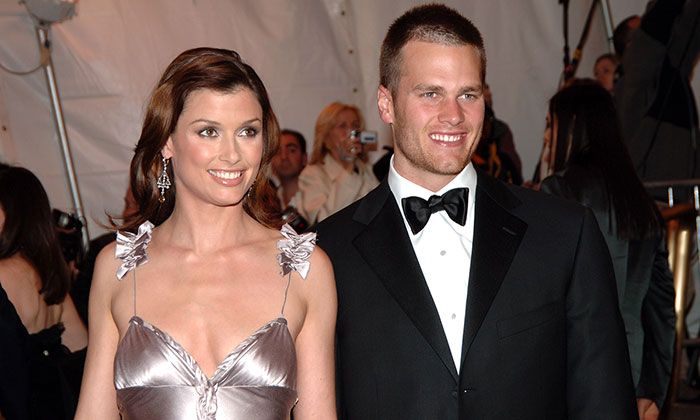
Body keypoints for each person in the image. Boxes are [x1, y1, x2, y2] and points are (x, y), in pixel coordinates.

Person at [316, 4, 637, 419]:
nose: (454, 115)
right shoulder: (327, 252)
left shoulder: (564, 234)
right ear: (386, 103)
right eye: (430, 93)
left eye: (468, 94)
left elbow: (604, 402)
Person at [75, 47, 337, 420]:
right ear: (167, 140)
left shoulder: (305, 268)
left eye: (248, 131)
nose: (232, 155)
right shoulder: (117, 268)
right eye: (209, 131)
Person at [540, 80, 676, 420]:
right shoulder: (639, 201)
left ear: (571, 125)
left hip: (571, 375)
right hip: (631, 371)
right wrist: (653, 390)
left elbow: (541, 297)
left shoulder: (558, 190)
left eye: (550, 124)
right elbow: (661, 309)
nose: (546, 136)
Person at [0, 163, 88, 419]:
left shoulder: (4, 273)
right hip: (59, 403)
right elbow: (82, 347)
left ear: (13, 211)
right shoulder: (48, 270)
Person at [614, 0, 700, 201]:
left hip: (681, 198)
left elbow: (688, 30)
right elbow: (657, 26)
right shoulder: (633, 84)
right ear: (630, 48)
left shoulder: (673, 76)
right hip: (651, 199)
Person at [297, 102, 378, 225]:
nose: (351, 132)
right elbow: (324, 220)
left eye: (355, 125)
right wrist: (349, 164)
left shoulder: (365, 169)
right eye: (342, 126)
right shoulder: (312, 174)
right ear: (325, 138)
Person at [271, 129, 310, 232]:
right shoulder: (266, 203)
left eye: (291, 150)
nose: (284, 157)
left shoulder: (320, 196)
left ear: (304, 158)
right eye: (278, 152)